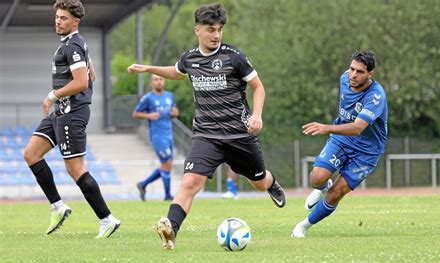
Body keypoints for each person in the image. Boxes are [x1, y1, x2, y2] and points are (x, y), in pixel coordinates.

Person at [127, 3, 286, 250]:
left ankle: (271, 182)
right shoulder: (190, 58)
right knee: (189, 183)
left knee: (258, 181)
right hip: (206, 136)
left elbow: (258, 87)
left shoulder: (234, 57)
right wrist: (148, 68)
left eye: (219, 29)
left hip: (239, 135)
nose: (216, 35)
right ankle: (171, 231)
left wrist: (257, 115)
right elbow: (178, 72)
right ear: (197, 30)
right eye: (210, 29)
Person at [23, 0, 120, 238]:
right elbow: (92, 74)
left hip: (72, 113)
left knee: (74, 169)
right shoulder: (71, 44)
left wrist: (52, 95)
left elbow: (82, 82)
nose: (58, 21)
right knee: (31, 154)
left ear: (75, 22)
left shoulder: (73, 45)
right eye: (57, 17)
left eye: (63, 18)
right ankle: (58, 206)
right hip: (61, 111)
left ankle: (107, 219)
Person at [291, 50, 388, 238]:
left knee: (336, 193)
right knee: (316, 178)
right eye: (352, 69)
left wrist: (326, 128)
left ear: (370, 74)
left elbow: (359, 127)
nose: (353, 74)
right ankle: (322, 186)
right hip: (342, 139)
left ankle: (303, 226)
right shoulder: (344, 79)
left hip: (367, 152)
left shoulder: (376, 96)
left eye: (360, 72)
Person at [134, 74, 179, 201]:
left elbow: (175, 111)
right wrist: (149, 116)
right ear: (151, 83)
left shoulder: (169, 96)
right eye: (156, 79)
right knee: (167, 163)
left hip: (168, 134)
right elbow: (136, 113)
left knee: (167, 164)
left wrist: (175, 113)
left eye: (161, 79)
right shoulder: (148, 98)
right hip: (157, 136)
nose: (159, 82)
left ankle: (143, 184)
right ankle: (167, 195)